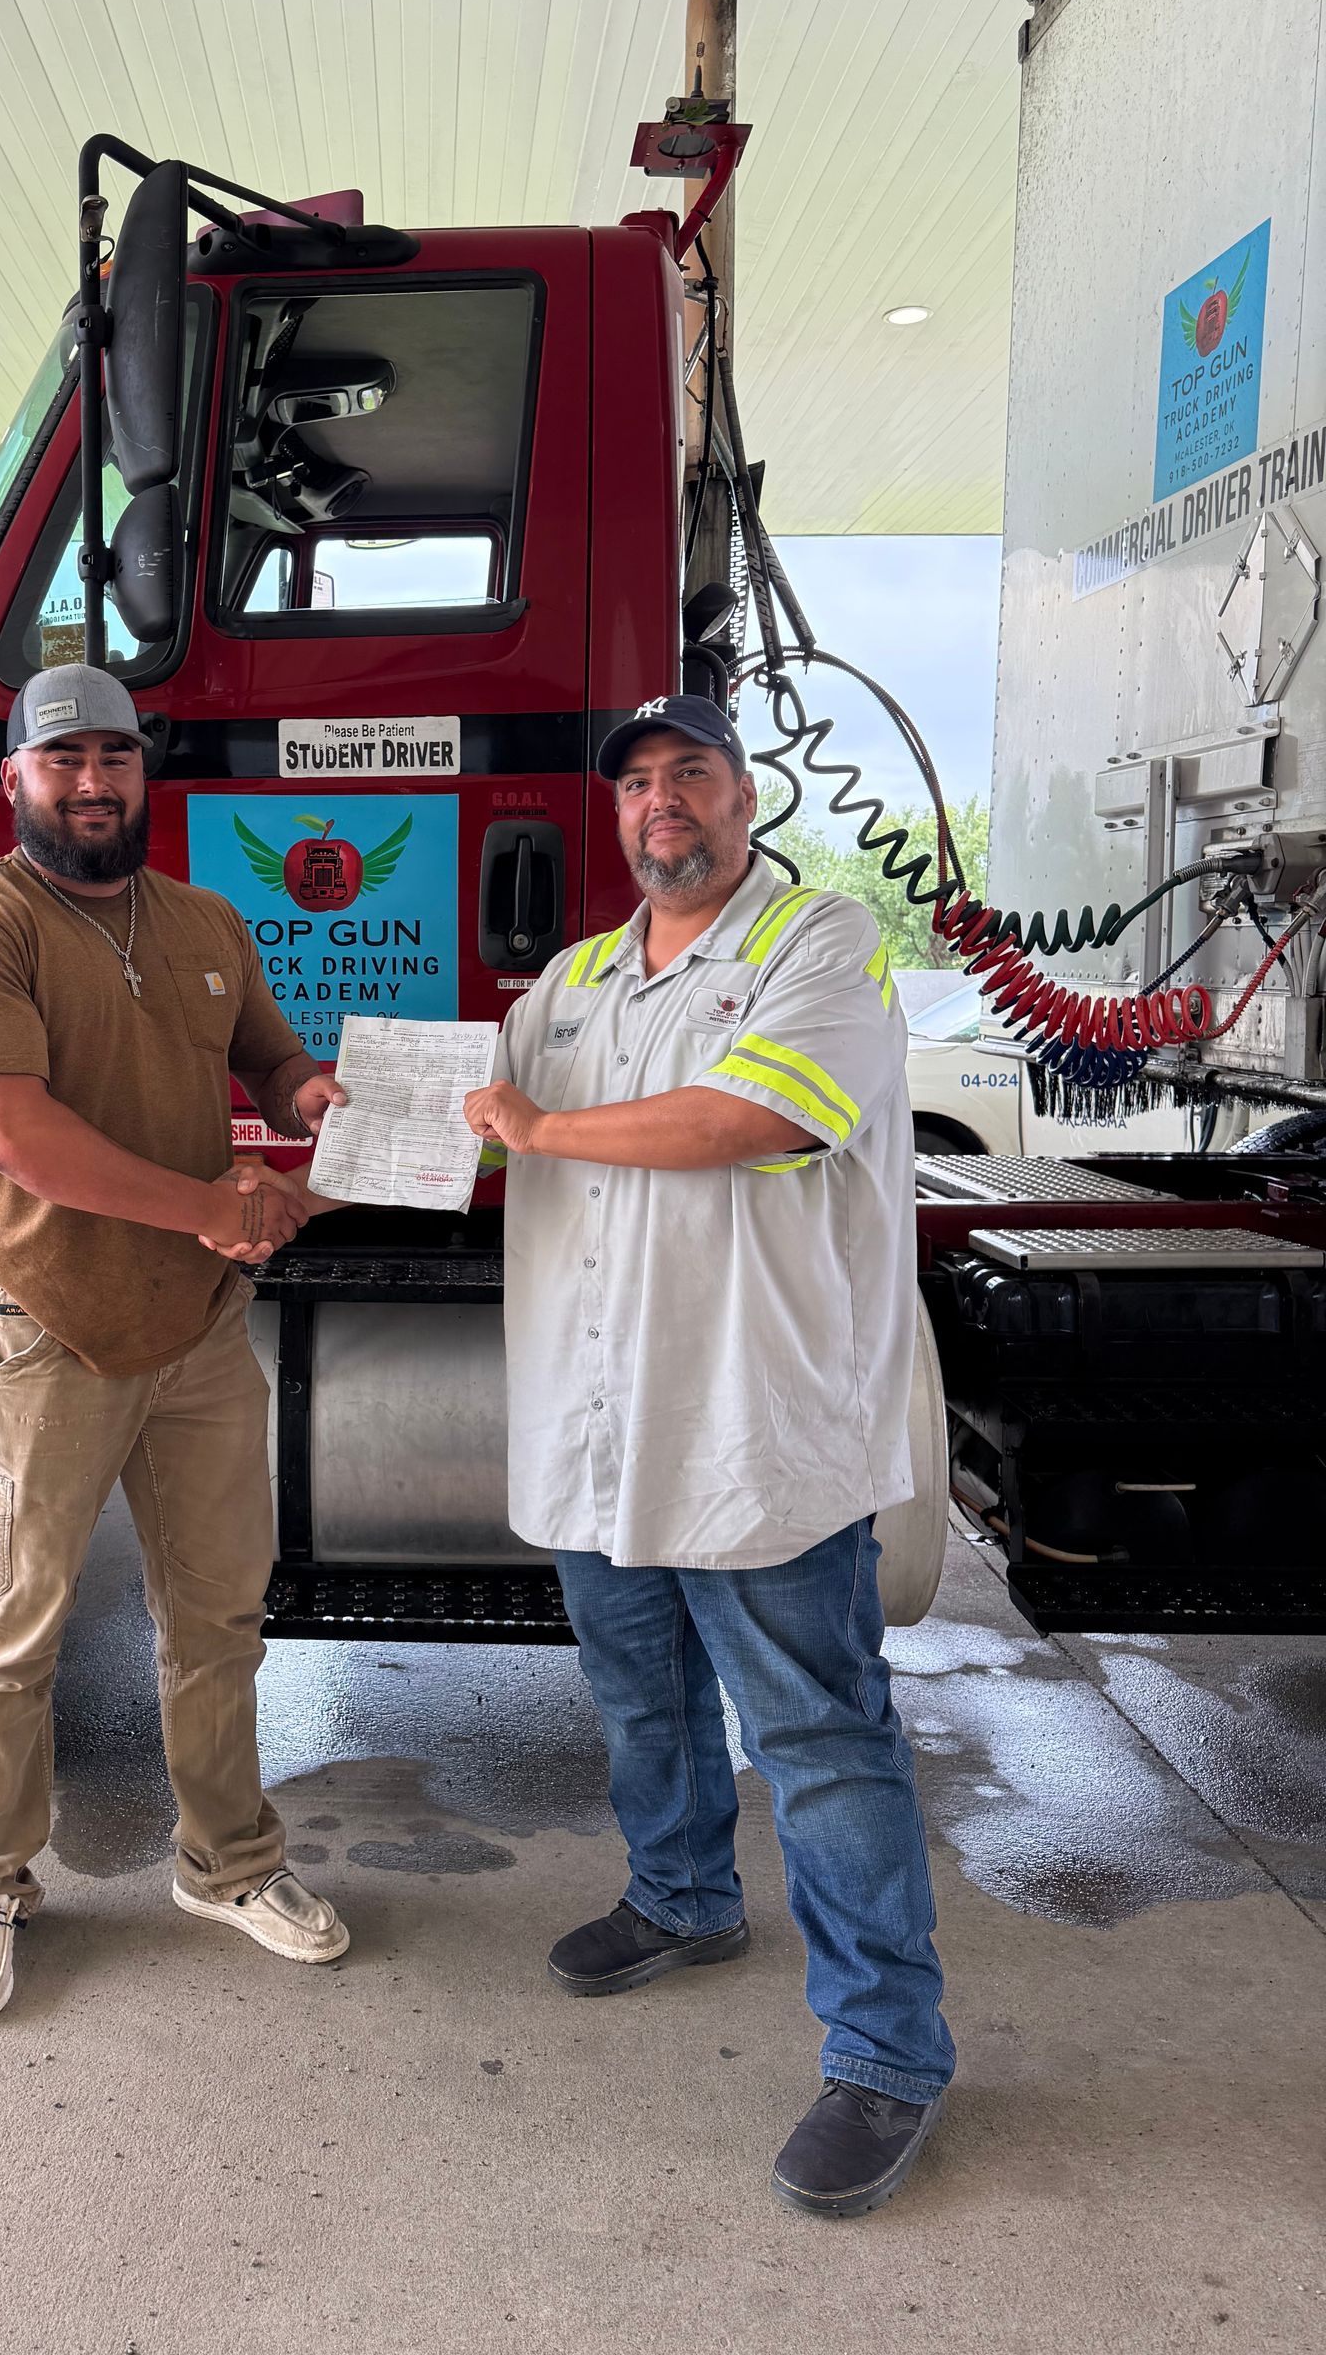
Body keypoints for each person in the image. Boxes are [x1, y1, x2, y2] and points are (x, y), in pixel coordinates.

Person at [461, 693, 953, 2219]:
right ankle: (681, 1900)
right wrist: (330, 1145)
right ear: (612, 820)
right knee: (639, 1690)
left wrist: (532, 1132)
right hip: (604, 1421)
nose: (658, 802)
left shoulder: (825, 941)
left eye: (689, 775)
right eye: (636, 785)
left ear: (744, 797)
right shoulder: (581, 980)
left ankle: (887, 2056)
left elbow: (752, 1118)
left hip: (755, 1424)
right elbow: (467, 1120)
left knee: (815, 1734)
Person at [0, 662, 351, 2021]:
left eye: (116, 760)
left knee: (216, 1615)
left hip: (200, 1332)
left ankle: (226, 1863)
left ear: (145, 774)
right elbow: (15, 1137)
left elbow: (269, 1058)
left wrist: (320, 1090)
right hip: (50, 1327)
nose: (93, 785)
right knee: (17, 1625)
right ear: (18, 781)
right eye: (64, 761)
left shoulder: (205, 918)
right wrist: (219, 1204)